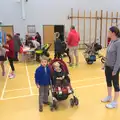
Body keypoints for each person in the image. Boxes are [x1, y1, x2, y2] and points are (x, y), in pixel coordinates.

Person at [101, 26, 120, 109]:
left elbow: (119, 59)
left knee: (115, 84)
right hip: (108, 66)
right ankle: (109, 97)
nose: (108, 33)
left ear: (113, 33)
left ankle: (115, 102)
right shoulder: (111, 41)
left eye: (109, 32)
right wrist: (104, 64)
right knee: (108, 82)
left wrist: (115, 70)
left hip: (114, 68)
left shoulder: (118, 43)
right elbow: (108, 54)